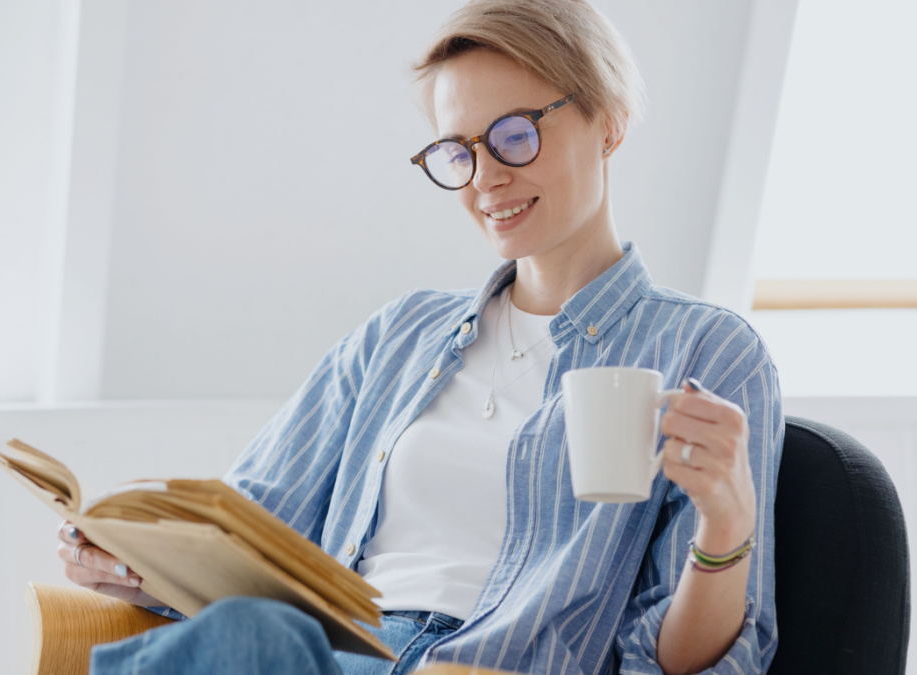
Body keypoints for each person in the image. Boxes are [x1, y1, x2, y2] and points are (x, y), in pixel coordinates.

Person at [57, 1, 782, 673]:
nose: (486, 178)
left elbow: (689, 663)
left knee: (253, 637)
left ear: (610, 122)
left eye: (516, 135)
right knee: (252, 631)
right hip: (337, 652)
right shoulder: (399, 336)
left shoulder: (703, 351)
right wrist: (131, 557)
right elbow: (246, 533)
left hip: (491, 667)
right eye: (458, 151)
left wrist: (726, 525)